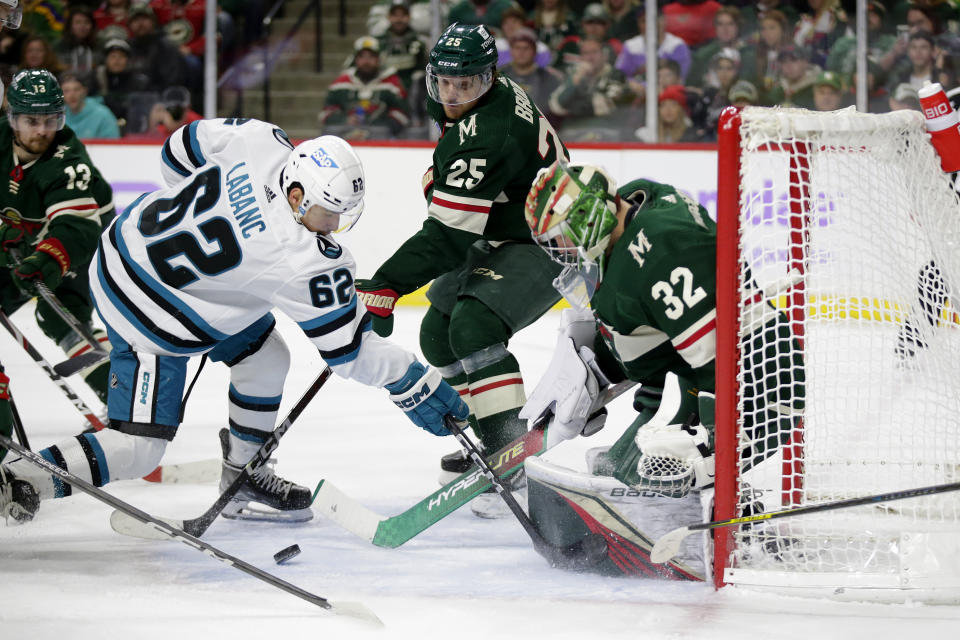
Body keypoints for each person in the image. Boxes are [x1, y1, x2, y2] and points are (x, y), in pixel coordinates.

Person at [0, 120, 469, 524]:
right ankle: (22, 477)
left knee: (266, 357)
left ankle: (244, 473)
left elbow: (177, 150)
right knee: (140, 449)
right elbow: (348, 355)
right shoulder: (304, 259)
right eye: (329, 214)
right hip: (150, 315)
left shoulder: (262, 140)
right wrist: (413, 380)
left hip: (121, 247)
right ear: (298, 193)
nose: (333, 227)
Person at [354, 22, 569, 518]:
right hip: (507, 223)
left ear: (489, 78)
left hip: (548, 234)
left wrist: (387, 283)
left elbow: (449, 235)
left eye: (464, 84)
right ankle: (488, 440)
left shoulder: (489, 131)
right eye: (443, 82)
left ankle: (509, 461)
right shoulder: (477, 99)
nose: (451, 94)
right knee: (437, 334)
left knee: (474, 327)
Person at [520, 160, 803, 515]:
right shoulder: (638, 202)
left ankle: (726, 504)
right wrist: (601, 373)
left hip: (759, 388)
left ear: (587, 217)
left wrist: (711, 446)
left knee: (646, 481)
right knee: (619, 466)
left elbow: (718, 360)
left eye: (560, 237)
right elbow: (659, 339)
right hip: (700, 370)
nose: (560, 251)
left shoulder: (659, 253)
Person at [0, 69, 115, 414]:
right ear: (12, 117)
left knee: (61, 317)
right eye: (30, 121)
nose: (41, 131)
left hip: (81, 245)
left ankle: (122, 401)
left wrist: (47, 261)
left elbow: (75, 228)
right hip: (23, 243)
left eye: (50, 121)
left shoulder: (67, 160)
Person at [319, 36, 411, 140]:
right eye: (362, 57)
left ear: (379, 59)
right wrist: (345, 120)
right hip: (345, 141)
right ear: (355, 59)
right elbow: (325, 113)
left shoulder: (392, 84)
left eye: (371, 57)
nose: (366, 61)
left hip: (382, 143)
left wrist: (375, 125)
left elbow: (402, 115)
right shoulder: (341, 83)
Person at [61, 71, 121, 139]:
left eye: (76, 89)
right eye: (66, 91)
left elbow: (113, 145)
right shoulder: (57, 116)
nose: (72, 95)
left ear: (85, 91)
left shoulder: (103, 115)